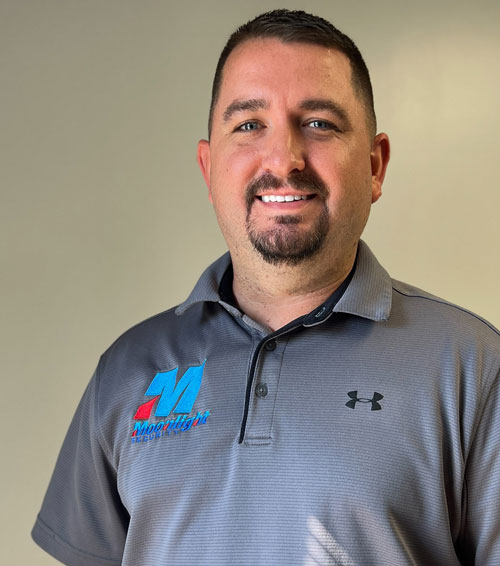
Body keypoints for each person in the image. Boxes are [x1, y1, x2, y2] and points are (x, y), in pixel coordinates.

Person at [32, 9, 500, 566]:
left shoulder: (471, 366)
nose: (284, 159)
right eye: (249, 125)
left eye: (319, 123)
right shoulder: (128, 370)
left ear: (375, 166)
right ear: (208, 168)